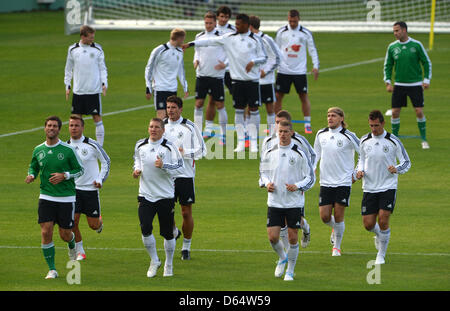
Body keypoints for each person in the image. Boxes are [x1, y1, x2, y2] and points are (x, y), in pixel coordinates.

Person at [183, 13, 267, 153]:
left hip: (252, 80)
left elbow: (264, 57)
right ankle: (241, 143)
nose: (236, 26)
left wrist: (253, 62)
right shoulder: (229, 38)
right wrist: (191, 44)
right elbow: (209, 41)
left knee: (253, 110)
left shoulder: (255, 40)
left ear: (246, 25)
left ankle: (253, 142)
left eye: (239, 24)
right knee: (239, 111)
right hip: (237, 81)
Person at [26, 116, 84, 279]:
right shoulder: (38, 149)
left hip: (66, 198)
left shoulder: (68, 150)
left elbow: (80, 170)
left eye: (54, 126)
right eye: (49, 126)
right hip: (46, 197)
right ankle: (52, 269)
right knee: (46, 232)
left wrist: (65, 175)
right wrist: (31, 174)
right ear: (45, 128)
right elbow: (34, 166)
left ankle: (72, 244)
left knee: (65, 235)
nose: (51, 128)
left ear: (59, 129)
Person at [259, 120, 315, 281]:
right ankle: (283, 257)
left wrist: (297, 186)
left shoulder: (299, 153)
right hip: (275, 202)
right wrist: (266, 183)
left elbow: (310, 178)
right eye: (280, 131)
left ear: (291, 133)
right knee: (272, 237)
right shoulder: (269, 152)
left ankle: (290, 270)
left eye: (285, 131)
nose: (282, 134)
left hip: (293, 203)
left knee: (292, 238)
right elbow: (263, 173)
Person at [356, 110, 411, 264]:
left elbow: (406, 161)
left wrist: (397, 169)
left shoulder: (393, 141)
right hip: (369, 187)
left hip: (388, 186)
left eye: (376, 125)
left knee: (383, 219)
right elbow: (361, 160)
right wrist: (358, 171)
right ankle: (380, 235)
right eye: (371, 125)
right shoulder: (364, 140)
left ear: (383, 123)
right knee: (368, 224)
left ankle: (381, 254)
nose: (374, 129)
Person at [133, 118, 184, 277]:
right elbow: (137, 160)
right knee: (145, 228)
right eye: (151, 127)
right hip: (146, 195)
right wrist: (136, 170)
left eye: (156, 127)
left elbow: (180, 166)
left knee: (168, 233)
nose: (153, 129)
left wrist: (164, 166)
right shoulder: (140, 145)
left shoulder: (169, 147)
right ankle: (154, 260)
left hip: (165, 196)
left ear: (163, 130)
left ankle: (169, 264)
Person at [313, 107, 360, 256]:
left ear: (341, 118)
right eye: (328, 115)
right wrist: (312, 169)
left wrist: (356, 173)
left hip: (343, 181)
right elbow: (315, 154)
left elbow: (364, 153)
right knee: (324, 216)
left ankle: (337, 247)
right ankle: (335, 228)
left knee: (339, 215)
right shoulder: (321, 134)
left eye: (333, 115)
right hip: (326, 181)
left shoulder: (349, 136)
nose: (330, 118)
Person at [164, 96, 207, 260]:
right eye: (168, 107)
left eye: (173, 107)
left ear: (180, 109)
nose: (170, 110)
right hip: (166, 175)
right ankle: (175, 232)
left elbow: (203, 151)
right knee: (166, 212)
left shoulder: (190, 127)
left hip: (185, 175)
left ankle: (186, 248)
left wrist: (185, 153)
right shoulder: (161, 125)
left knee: (186, 212)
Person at [67, 115, 111, 261]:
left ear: (82, 127)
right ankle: (80, 251)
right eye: (71, 125)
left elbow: (106, 162)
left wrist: (100, 179)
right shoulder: (65, 147)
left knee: (93, 225)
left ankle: (99, 222)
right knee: (72, 221)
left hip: (91, 190)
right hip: (73, 190)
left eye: (76, 125)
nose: (74, 128)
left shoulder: (92, 144)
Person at [383, 21, 432, 149]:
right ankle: (395, 140)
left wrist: (426, 80)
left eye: (397, 31)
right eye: (394, 31)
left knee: (419, 111)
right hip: (399, 85)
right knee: (395, 112)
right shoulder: (392, 47)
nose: (395, 33)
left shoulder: (416, 45)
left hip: (415, 84)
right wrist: (388, 82)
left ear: (404, 30)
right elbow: (388, 65)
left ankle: (424, 139)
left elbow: (426, 63)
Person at [274, 9, 319, 134]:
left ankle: (307, 123)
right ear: (287, 19)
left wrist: (316, 66)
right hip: (283, 70)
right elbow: (276, 50)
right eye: (290, 21)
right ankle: (276, 123)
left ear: (298, 19)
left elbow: (312, 50)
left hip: (299, 71)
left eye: (294, 21)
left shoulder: (305, 33)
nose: (292, 23)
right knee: (278, 96)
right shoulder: (281, 32)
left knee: (303, 96)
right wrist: (273, 66)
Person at [64, 25, 108, 146]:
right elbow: (68, 69)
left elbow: (102, 68)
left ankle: (100, 147)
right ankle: (75, 145)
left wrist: (104, 83)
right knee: (76, 120)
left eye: (93, 37)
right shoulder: (73, 49)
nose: (92, 40)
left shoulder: (97, 49)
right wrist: (67, 85)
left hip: (93, 90)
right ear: (83, 36)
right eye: (90, 37)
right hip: (78, 91)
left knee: (97, 118)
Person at [193, 12, 228, 145]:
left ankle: (223, 135)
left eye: (210, 23)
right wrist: (195, 61)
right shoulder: (199, 36)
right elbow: (197, 52)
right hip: (201, 75)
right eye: (206, 23)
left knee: (220, 105)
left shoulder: (222, 37)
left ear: (215, 23)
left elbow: (230, 53)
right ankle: (197, 134)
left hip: (217, 76)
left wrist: (225, 64)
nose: (208, 25)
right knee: (198, 104)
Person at [145, 28, 189, 120]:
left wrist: (185, 87)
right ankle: (160, 135)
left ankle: (168, 135)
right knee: (161, 117)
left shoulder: (180, 51)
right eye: (183, 39)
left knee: (171, 117)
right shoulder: (159, 50)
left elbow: (181, 70)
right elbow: (149, 68)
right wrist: (148, 87)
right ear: (179, 38)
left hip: (172, 88)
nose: (183, 42)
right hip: (160, 88)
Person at [249, 15, 282, 136]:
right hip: (251, 80)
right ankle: (250, 135)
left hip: (266, 81)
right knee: (251, 107)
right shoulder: (248, 39)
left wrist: (266, 71)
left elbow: (278, 57)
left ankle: (273, 134)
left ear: (250, 26)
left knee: (269, 108)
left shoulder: (266, 39)